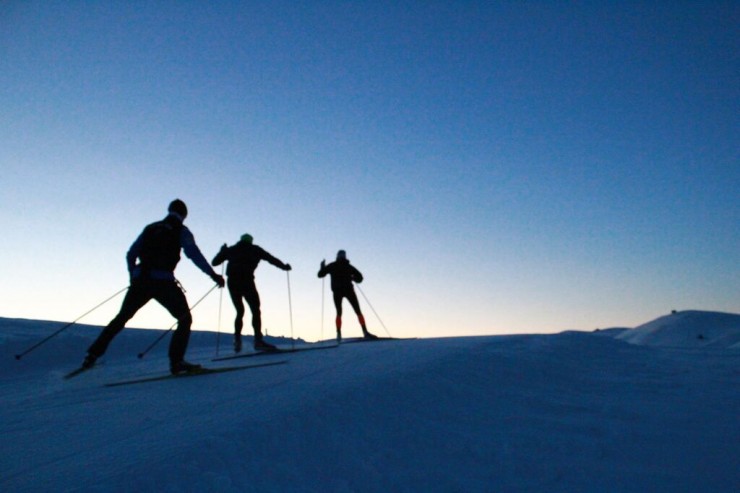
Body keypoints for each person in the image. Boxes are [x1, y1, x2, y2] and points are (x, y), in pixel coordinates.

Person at [82, 199, 225, 374]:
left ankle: (92, 356)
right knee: (184, 319)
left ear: (170, 210)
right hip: (163, 282)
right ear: (184, 215)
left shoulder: (150, 228)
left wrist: (132, 275)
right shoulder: (182, 230)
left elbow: (131, 253)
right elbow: (193, 254)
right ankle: (177, 362)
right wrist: (213, 275)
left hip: (141, 280)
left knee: (122, 317)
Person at [211, 233, 291, 352]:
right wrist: (284, 267)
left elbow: (215, 262)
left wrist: (222, 251)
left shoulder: (231, 250)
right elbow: (271, 259)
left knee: (239, 311)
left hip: (232, 282)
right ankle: (258, 341)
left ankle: (237, 341)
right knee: (255, 310)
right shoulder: (255, 249)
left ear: (241, 240)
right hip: (247, 281)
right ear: (251, 241)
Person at [317, 250, 376, 342]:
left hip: (339, 291)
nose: (342, 257)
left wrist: (322, 267)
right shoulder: (347, 266)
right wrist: (354, 278)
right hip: (346, 291)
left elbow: (320, 274)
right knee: (354, 311)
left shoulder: (333, 266)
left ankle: (339, 334)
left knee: (341, 312)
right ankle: (363, 332)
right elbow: (360, 277)